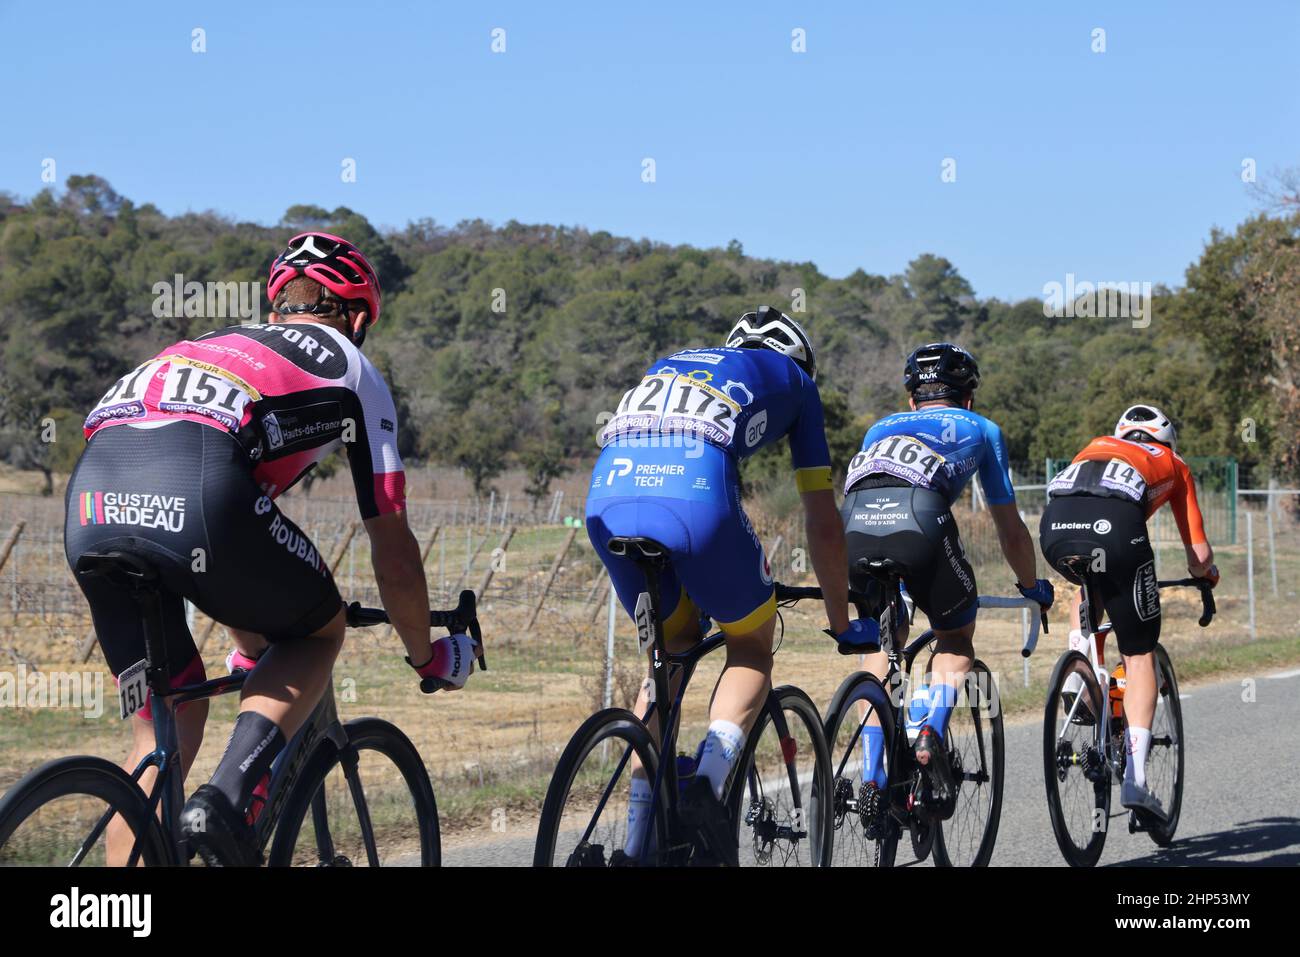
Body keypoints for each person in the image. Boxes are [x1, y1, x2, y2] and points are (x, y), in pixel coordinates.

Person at [65, 232, 477, 866]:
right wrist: (426, 655)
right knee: (317, 632)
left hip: (91, 500)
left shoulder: (212, 345)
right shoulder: (350, 364)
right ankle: (224, 802)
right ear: (360, 316)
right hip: (197, 489)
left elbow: (224, 536)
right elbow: (392, 550)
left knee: (162, 730)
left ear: (277, 302)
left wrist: (251, 641)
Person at [586, 306, 861, 865]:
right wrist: (841, 619)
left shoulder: (675, 361)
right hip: (693, 500)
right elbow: (822, 521)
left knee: (671, 655)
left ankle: (636, 845)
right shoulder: (798, 383)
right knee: (752, 645)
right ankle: (707, 788)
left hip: (606, 499)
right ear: (797, 359)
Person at [842, 342, 1053, 812]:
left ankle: (873, 777)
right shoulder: (981, 427)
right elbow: (1010, 528)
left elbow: (877, 491)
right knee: (955, 638)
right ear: (969, 398)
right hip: (921, 519)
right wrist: (1031, 586)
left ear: (912, 400)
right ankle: (930, 729)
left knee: (882, 643)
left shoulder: (879, 427)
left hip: (853, 523)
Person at [1039, 404, 1217, 815]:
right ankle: (1136, 779)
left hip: (1055, 527)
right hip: (1115, 529)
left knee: (1090, 589)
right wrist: (1208, 574)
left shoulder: (1095, 447)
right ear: (1167, 441)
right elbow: (1198, 553)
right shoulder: (1172, 462)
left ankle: (1080, 672)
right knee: (1139, 654)